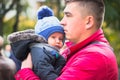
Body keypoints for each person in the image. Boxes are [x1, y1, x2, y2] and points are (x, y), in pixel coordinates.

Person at [15, 0, 119, 80]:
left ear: (88, 22)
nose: (61, 22)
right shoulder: (77, 49)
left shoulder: (95, 57)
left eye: (68, 15)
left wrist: (25, 71)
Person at [8, 6, 66, 80]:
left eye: (61, 39)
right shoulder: (40, 50)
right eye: (53, 37)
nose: (58, 41)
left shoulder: (49, 50)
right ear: (43, 38)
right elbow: (43, 69)